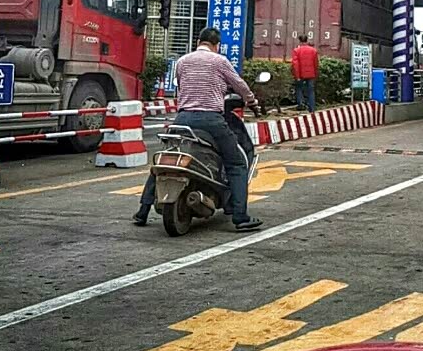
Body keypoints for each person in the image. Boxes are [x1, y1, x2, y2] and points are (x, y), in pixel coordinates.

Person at [133, 28, 262, 231]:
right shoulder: (220, 61)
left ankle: (142, 211)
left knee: (164, 161)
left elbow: (181, 85)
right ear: (216, 45)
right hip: (211, 120)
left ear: (198, 42)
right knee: (236, 163)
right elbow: (240, 85)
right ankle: (240, 217)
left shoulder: (182, 61)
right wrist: (252, 102)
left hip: (182, 119)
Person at [291, 34, 319, 113]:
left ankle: (301, 104)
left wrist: (297, 76)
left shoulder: (296, 50)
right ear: (307, 40)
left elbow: (295, 64)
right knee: (310, 91)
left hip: (300, 74)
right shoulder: (313, 50)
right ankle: (312, 108)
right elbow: (316, 64)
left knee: (299, 88)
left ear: (299, 41)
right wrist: (316, 74)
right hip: (311, 74)